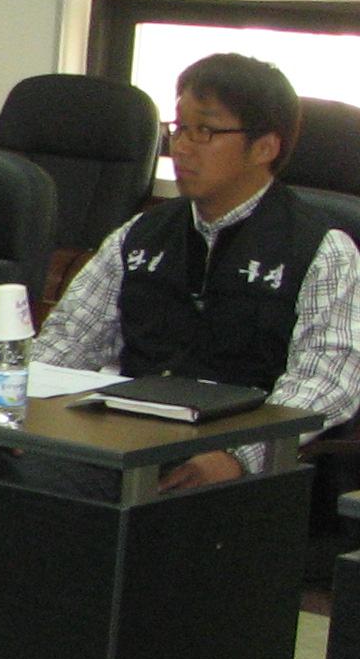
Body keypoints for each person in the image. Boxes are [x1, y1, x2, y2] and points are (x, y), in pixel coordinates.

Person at [25, 52, 360, 490]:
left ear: (264, 147)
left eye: (204, 131)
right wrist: (7, 417)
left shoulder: (323, 250)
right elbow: (67, 342)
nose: (181, 147)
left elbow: (328, 382)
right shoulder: (140, 235)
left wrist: (238, 456)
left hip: (238, 469)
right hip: (126, 445)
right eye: (180, 128)